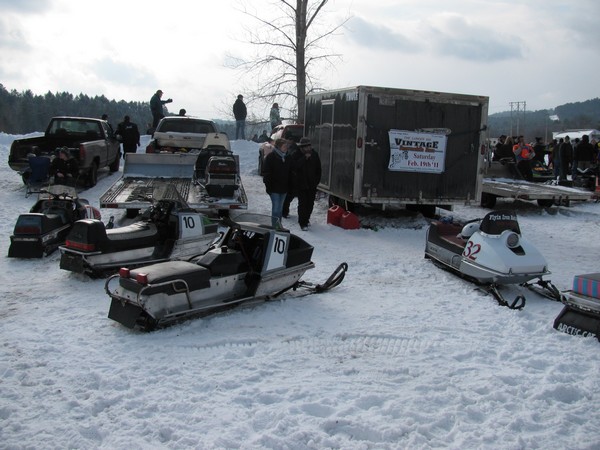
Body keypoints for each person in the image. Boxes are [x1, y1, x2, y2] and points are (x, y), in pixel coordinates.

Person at [291, 137, 322, 231]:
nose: (308, 149)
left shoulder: (315, 154)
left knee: (310, 204)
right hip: (301, 184)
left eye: (309, 146)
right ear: (302, 148)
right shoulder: (296, 154)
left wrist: (316, 181)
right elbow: (294, 167)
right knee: (303, 204)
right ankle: (302, 222)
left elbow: (318, 169)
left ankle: (307, 219)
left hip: (312, 184)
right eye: (306, 147)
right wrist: (304, 158)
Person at [262, 138, 291, 229]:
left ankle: (279, 226)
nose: (286, 148)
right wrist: (268, 186)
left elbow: (291, 172)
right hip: (274, 188)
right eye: (284, 146)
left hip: (284, 188)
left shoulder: (287, 157)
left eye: (287, 146)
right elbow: (266, 173)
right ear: (278, 147)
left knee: (280, 209)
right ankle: (275, 227)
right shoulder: (271, 157)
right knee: (276, 209)